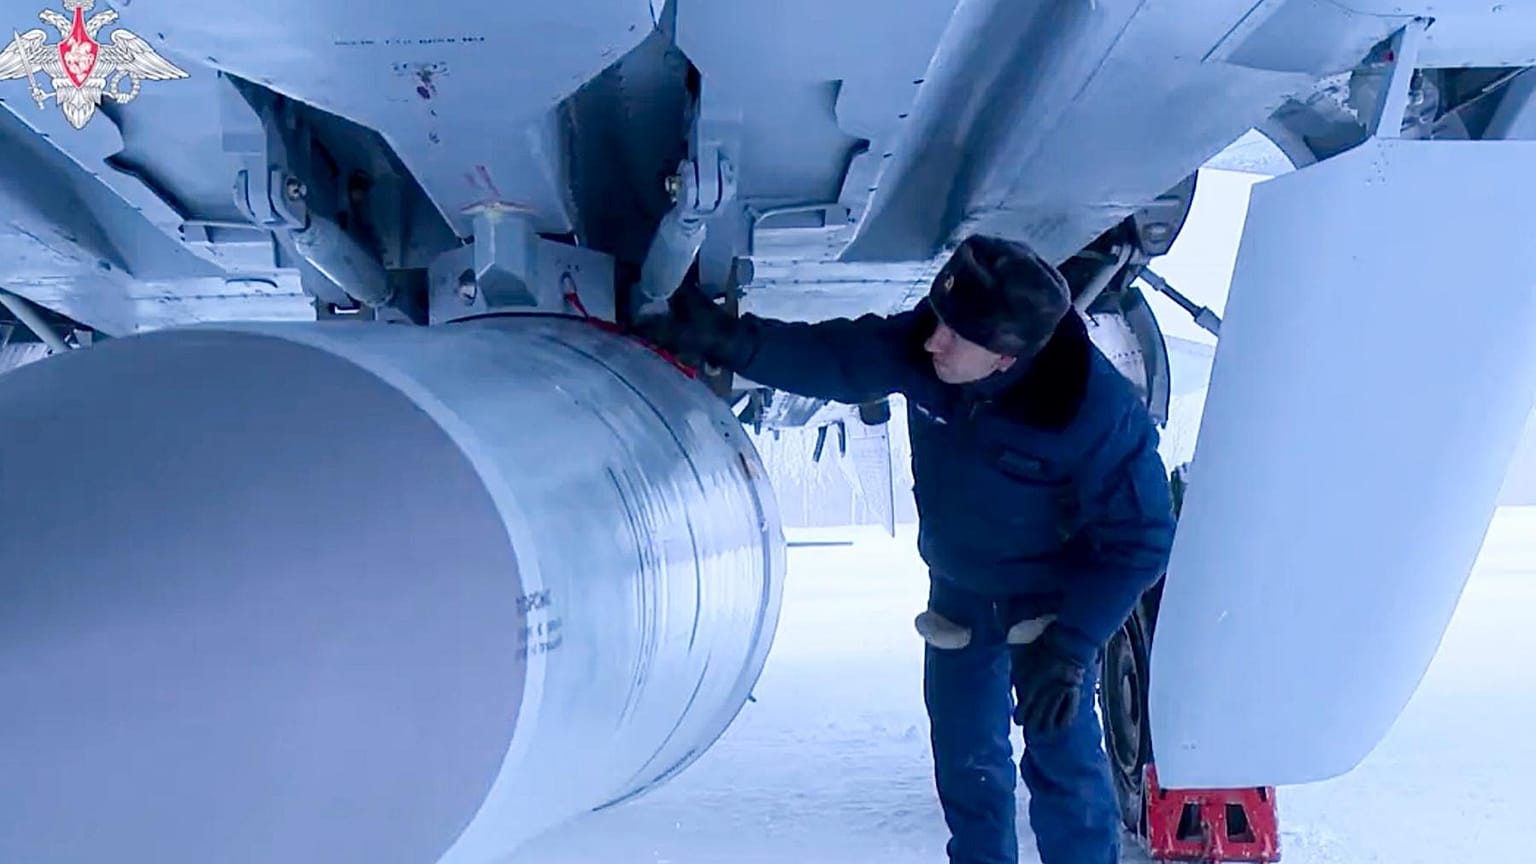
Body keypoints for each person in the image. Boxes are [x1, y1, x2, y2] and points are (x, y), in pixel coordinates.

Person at [634, 233, 1177, 864]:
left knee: (1065, 766)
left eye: (954, 336)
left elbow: (1143, 538)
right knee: (968, 766)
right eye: (938, 319)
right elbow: (838, 359)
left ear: (1005, 357)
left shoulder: (1090, 409)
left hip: (1051, 612)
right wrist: (730, 341)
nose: (931, 341)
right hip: (962, 597)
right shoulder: (935, 345)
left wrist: (1071, 648)